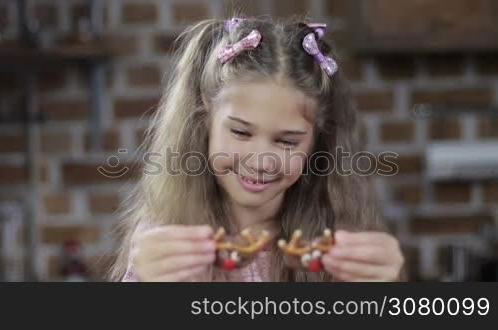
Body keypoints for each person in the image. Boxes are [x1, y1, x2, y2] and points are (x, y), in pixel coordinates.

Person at [109, 16, 404, 282]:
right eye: (240, 132)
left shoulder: (339, 241)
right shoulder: (168, 241)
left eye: (287, 142)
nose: (261, 161)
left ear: (317, 142)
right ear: (205, 119)